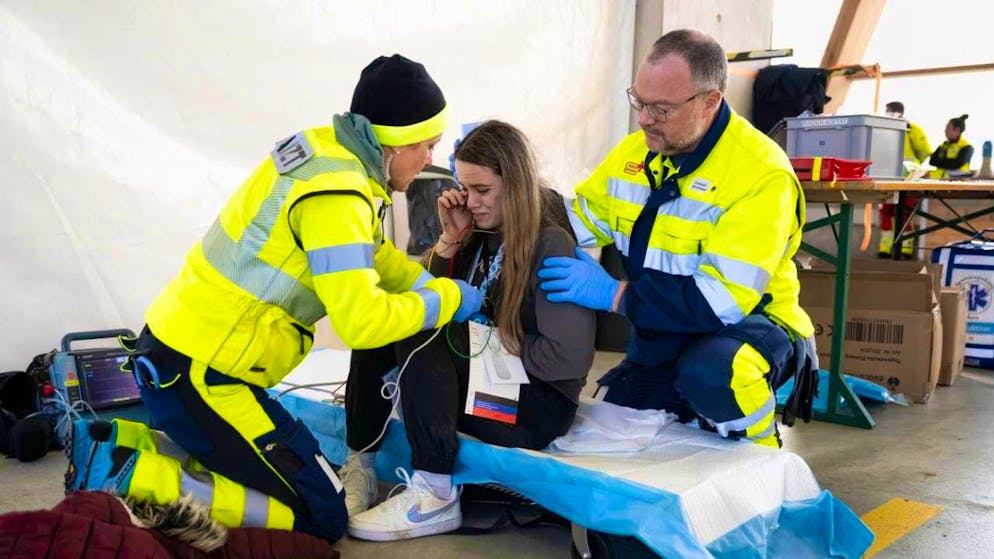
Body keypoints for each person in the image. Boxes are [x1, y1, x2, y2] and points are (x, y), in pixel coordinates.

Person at [65, 54, 484, 543]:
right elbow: (362, 322)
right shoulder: (337, 195)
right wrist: (448, 299)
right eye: (427, 145)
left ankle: (116, 443)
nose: (431, 159)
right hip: (206, 377)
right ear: (394, 140)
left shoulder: (329, 155)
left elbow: (376, 257)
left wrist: (430, 283)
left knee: (290, 474)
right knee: (321, 518)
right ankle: (133, 476)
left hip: (181, 355)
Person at [539, 29, 817, 449]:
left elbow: (719, 301)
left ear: (710, 102)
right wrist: (509, 198)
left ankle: (761, 453)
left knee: (714, 376)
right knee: (616, 427)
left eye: (661, 109)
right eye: (639, 101)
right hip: (666, 325)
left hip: (749, 325)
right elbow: (575, 219)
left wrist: (615, 295)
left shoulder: (761, 175)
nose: (644, 119)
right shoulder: (634, 154)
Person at [340, 120, 596, 541]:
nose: (471, 202)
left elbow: (567, 359)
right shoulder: (480, 232)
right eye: (465, 188)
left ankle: (435, 495)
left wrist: (488, 340)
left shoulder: (550, 242)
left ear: (515, 185)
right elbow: (428, 290)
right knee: (391, 316)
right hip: (489, 384)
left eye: (483, 190)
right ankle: (361, 465)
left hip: (536, 407)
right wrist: (450, 240)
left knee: (425, 326)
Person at [878, 101, 932, 257]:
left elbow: (926, 154)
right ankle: (885, 248)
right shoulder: (884, 130)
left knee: (905, 212)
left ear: (898, 112)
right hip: (889, 178)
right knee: (886, 211)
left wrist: (916, 170)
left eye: (888, 111)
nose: (886, 114)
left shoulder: (914, 131)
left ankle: (906, 249)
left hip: (909, 179)